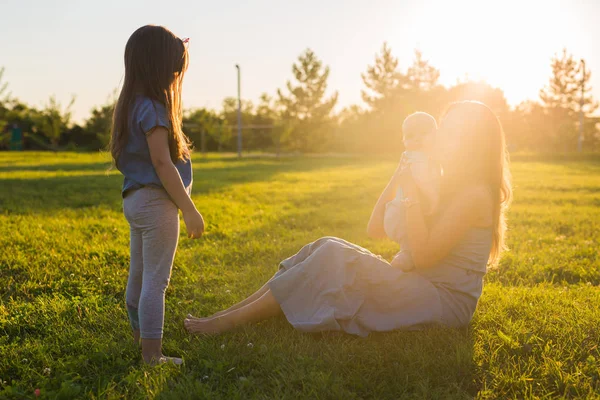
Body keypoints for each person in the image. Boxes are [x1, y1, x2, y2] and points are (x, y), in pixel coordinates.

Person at [185, 101, 511, 337]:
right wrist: (400, 175)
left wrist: (410, 190)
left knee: (333, 256)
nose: (438, 138)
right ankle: (230, 314)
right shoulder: (443, 183)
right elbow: (375, 228)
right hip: (422, 285)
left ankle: (227, 324)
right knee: (325, 244)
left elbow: (424, 255)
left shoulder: (474, 195)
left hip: (443, 303)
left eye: (450, 132)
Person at [110, 25, 204, 364]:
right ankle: (153, 356)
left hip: (134, 200)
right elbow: (163, 164)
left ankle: (140, 341)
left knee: (138, 275)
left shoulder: (131, 105)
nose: (176, 76)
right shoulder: (154, 108)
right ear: (160, 68)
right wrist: (189, 209)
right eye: (174, 69)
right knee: (155, 281)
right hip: (156, 203)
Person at [384, 111, 440, 271]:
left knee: (412, 241)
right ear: (403, 141)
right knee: (411, 244)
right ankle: (402, 262)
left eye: (423, 133)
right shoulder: (416, 157)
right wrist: (434, 198)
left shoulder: (425, 157)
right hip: (401, 213)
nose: (417, 139)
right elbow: (422, 181)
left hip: (398, 210)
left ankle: (405, 258)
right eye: (410, 136)